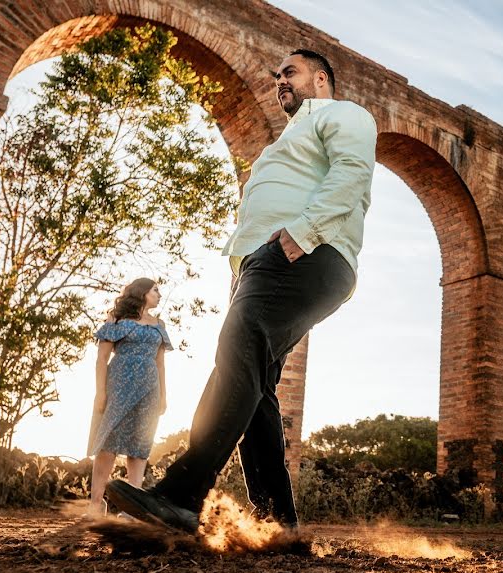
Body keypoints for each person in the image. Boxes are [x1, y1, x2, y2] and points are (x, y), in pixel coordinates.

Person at [106, 48, 377, 532]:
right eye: (276, 76)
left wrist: (304, 232)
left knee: (236, 354)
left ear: (321, 79)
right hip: (265, 265)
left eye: (289, 73)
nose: (280, 81)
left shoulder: (343, 114)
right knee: (259, 385)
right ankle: (277, 521)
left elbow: (352, 173)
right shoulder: (282, 144)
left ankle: (184, 492)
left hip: (307, 252)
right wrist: (245, 270)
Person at [87, 278, 173, 517]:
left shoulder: (159, 324)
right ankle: (96, 504)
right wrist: (100, 392)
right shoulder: (116, 320)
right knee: (107, 443)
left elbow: (161, 364)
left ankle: (133, 508)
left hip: (149, 388)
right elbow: (101, 359)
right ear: (142, 292)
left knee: (140, 445)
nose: (159, 294)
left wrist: (163, 396)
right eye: (155, 290)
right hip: (119, 385)